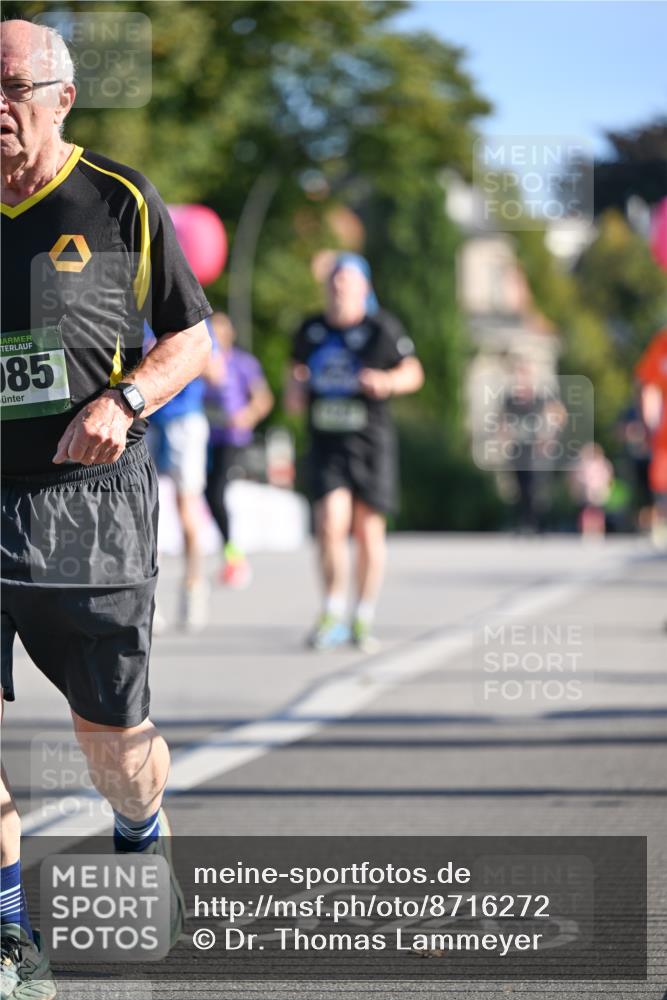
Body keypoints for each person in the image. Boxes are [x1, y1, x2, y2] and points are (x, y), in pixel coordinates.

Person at [0, 20, 212, 997]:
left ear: (62, 97)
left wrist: (124, 401)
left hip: (91, 506)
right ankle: (11, 934)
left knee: (113, 747)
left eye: (12, 86)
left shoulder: (118, 199)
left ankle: (140, 824)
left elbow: (191, 338)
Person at [286, 253, 424, 652]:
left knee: (368, 531)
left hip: (371, 443)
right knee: (330, 523)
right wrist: (295, 388)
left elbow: (414, 372)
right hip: (326, 442)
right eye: (334, 283)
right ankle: (332, 611)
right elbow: (294, 373)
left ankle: (362, 616)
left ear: (364, 289)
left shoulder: (381, 329)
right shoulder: (310, 329)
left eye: (347, 283)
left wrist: (387, 381)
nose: (339, 290)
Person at [146, 321, 219, 628]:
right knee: (145, 509)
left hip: (184, 421)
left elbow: (216, 371)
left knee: (187, 506)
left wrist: (173, 358)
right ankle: (147, 595)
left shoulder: (190, 314)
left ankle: (193, 586)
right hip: (146, 419)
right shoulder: (134, 320)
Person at [204, 312, 274, 587]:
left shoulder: (243, 363)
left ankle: (234, 555)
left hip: (232, 438)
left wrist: (247, 416)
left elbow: (263, 398)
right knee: (207, 494)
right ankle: (227, 552)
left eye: (220, 333)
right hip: (206, 437)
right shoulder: (200, 362)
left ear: (230, 335)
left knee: (216, 492)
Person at [635, 327, 667, 549]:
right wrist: (648, 424)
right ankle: (661, 521)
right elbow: (648, 385)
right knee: (661, 479)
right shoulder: (663, 343)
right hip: (664, 431)